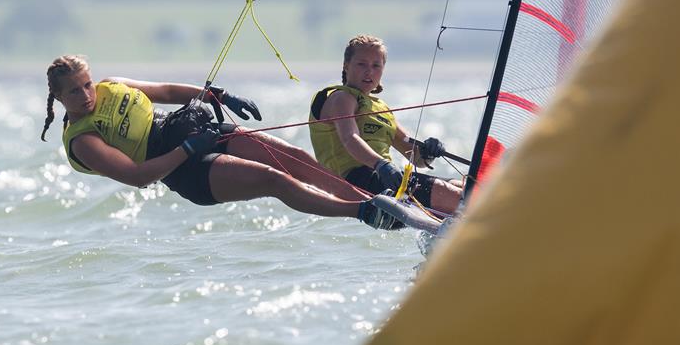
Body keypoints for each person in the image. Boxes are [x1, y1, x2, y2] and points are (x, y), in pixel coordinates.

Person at [40, 55, 402, 229]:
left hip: (190, 131)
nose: (86, 94)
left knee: (291, 156)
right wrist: (188, 150)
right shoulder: (83, 140)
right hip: (184, 170)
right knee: (275, 180)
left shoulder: (111, 85)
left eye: (86, 84)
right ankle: (365, 213)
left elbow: (166, 91)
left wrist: (219, 97)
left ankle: (376, 201)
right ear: (58, 98)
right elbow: (138, 176)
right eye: (74, 91)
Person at [309, 35, 463, 214]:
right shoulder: (341, 98)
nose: (369, 72)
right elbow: (350, 138)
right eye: (362, 64)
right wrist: (381, 165)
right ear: (346, 65)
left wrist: (429, 152)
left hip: (386, 180)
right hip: (357, 184)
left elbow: (416, 158)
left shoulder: (381, 109)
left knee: (467, 189)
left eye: (376, 66)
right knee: (457, 197)